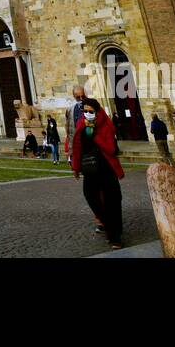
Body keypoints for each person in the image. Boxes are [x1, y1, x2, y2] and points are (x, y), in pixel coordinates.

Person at [69, 97, 124, 249]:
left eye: (90, 111)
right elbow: (77, 146)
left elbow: (111, 148)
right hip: (90, 169)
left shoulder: (106, 124)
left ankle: (115, 237)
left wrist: (95, 134)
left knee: (113, 200)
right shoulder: (81, 124)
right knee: (91, 197)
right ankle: (108, 224)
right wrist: (75, 167)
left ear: (97, 111)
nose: (87, 114)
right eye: (85, 111)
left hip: (106, 167)